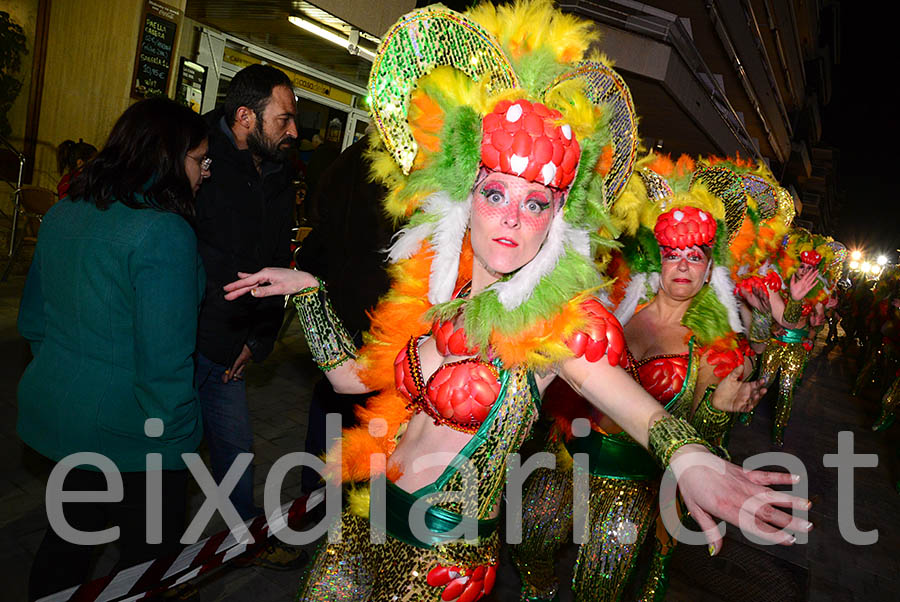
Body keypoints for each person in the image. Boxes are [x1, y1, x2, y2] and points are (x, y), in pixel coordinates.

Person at [224, 3, 809, 600]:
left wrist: (687, 455)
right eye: (496, 191)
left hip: (442, 562)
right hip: (363, 521)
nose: (510, 218)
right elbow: (352, 381)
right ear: (463, 196)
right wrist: (311, 295)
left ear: (558, 218)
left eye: (535, 202)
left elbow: (627, 400)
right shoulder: (439, 303)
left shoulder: (553, 329)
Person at [511, 155, 767, 601]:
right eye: (673, 255)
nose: (683, 266)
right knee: (530, 541)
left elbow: (699, 437)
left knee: (599, 585)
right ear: (659, 258)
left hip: (632, 477)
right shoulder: (616, 301)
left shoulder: (715, 344)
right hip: (570, 449)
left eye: (695, 256)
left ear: (710, 267)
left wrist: (717, 407)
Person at [17, 98, 209, 601]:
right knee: (148, 568)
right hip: (135, 435)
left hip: (64, 419)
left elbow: (34, 320)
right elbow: (164, 362)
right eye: (199, 161)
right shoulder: (164, 232)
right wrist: (179, 442)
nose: (205, 173)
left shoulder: (63, 213)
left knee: (69, 543)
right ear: (168, 158)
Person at [192, 63, 304, 568]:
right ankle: (156, 563)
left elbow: (277, 264)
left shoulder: (281, 173)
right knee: (162, 467)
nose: (294, 131)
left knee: (236, 453)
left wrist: (257, 341)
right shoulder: (197, 159)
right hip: (180, 340)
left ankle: (243, 542)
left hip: (233, 348)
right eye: (283, 119)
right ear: (245, 116)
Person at [293, 134, 395, 493]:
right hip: (373, 323)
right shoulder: (393, 168)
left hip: (358, 316)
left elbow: (320, 221)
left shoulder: (356, 159)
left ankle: (316, 518)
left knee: (333, 425)